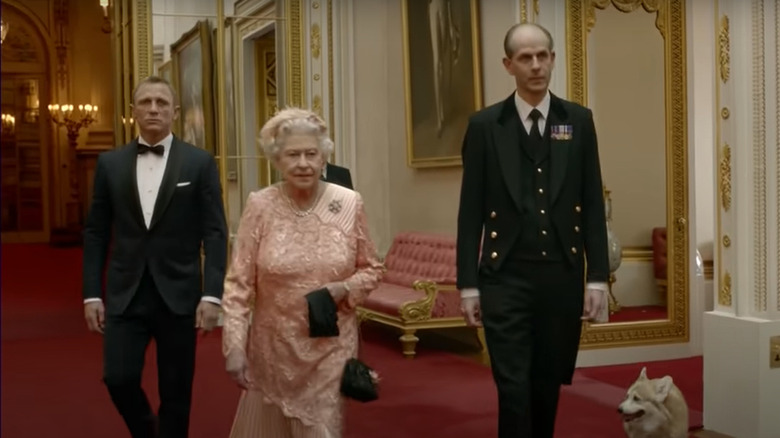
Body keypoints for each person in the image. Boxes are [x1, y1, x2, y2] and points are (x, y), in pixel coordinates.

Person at [455, 23, 609, 438]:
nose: (536, 65)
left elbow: (593, 203)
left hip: (560, 275)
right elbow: (469, 214)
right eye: (525, 57)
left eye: (543, 55)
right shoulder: (486, 126)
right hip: (504, 276)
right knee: (513, 386)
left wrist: (597, 278)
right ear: (509, 64)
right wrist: (468, 285)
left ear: (553, 58)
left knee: (546, 383)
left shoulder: (577, 121)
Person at [222, 107, 384, 438]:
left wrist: (343, 288)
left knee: (321, 429)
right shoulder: (260, 205)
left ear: (324, 157)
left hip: (330, 347)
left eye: (312, 154)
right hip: (274, 350)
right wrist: (235, 345)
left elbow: (372, 269)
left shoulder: (349, 203)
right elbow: (238, 284)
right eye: (293, 155)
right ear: (277, 160)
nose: (303, 163)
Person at [82, 76, 228, 438]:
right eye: (145, 102)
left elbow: (215, 232)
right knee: (118, 377)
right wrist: (91, 293)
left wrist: (212, 294)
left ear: (175, 113)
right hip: (125, 292)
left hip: (178, 294)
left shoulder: (199, 163)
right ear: (132, 112)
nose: (153, 108)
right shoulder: (110, 164)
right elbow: (96, 232)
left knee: (176, 391)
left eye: (161, 103)